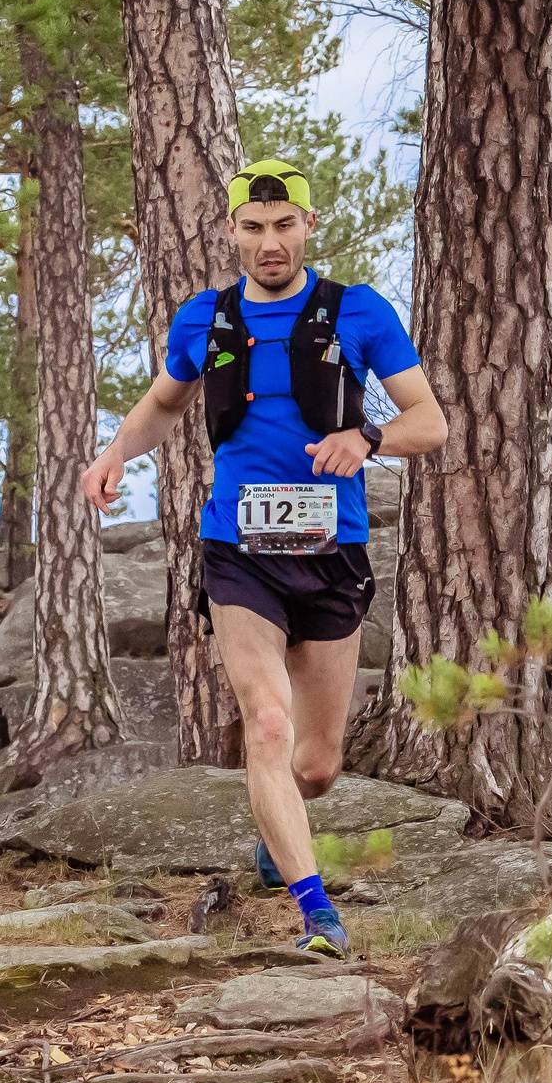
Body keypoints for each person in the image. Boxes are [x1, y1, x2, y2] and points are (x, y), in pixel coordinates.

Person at [81, 159, 447, 957]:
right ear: (232, 231)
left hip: (331, 551)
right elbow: (162, 404)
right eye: (253, 227)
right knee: (269, 723)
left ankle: (279, 835)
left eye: (284, 225)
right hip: (237, 550)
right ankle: (318, 914)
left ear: (308, 225)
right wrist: (114, 452)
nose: (269, 241)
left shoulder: (357, 311)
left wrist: (368, 436)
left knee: (315, 766)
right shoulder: (204, 320)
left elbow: (431, 421)